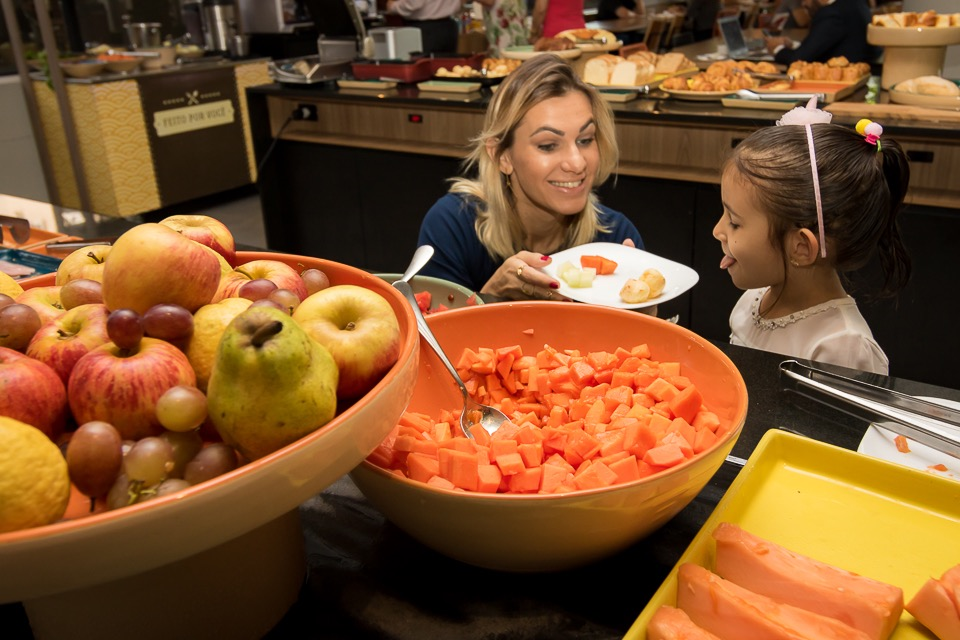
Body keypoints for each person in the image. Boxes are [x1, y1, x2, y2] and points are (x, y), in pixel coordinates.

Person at [416, 54, 644, 301]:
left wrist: (644, 318)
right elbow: (431, 333)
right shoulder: (453, 225)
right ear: (502, 156)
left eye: (585, 140)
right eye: (548, 145)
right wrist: (491, 295)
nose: (577, 163)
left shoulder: (617, 236)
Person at [713, 99, 912, 374]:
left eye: (734, 222)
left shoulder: (841, 348)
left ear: (801, 247)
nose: (717, 230)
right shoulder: (754, 299)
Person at [764, 0, 881, 65]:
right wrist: (793, 45)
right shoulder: (855, 3)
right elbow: (823, 45)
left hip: (838, 84)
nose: (803, 4)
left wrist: (777, 48)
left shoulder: (831, 13)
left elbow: (798, 60)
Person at [385, 0, 463, 55]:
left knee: (422, 71)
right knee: (445, 70)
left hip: (424, 30)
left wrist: (393, 6)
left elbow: (414, 3)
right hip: (448, 27)